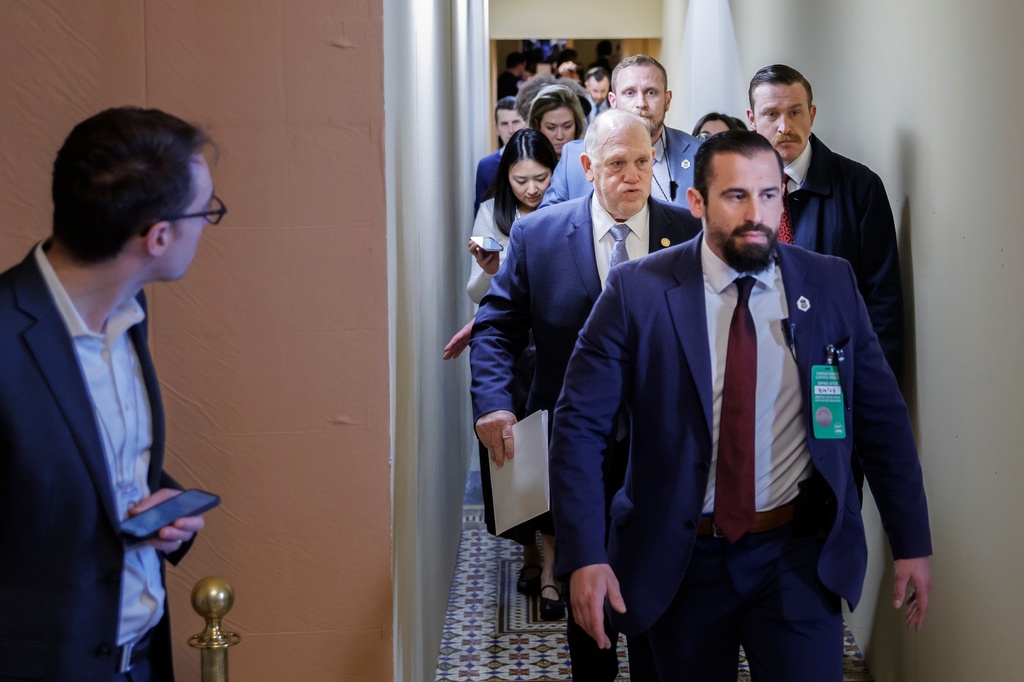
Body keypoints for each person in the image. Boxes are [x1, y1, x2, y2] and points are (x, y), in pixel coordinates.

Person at [549, 131, 932, 680]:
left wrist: (912, 542)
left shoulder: (828, 283)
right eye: (736, 196)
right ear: (697, 202)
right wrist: (584, 554)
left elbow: (881, 420)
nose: (758, 214)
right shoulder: (638, 291)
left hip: (796, 555)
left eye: (770, 195)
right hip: (679, 558)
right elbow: (578, 427)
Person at [471, 109, 701, 681]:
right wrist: (494, 401)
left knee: (658, 588)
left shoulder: (688, 233)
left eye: (643, 161)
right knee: (586, 590)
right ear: (587, 165)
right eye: (617, 163)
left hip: (663, 445)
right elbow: (497, 326)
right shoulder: (539, 235)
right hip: (576, 447)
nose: (632, 176)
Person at [0, 107, 219, 680]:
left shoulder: (130, 312)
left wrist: (160, 508)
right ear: (159, 236)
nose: (206, 227)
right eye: (206, 212)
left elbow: (88, 472)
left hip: (142, 658)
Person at [747, 64, 904, 375]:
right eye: (771, 114)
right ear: (752, 120)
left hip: (835, 370)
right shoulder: (735, 192)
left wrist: (873, 382)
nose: (784, 126)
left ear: (812, 114)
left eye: (795, 112)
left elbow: (883, 300)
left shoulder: (859, 187)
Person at [542, 54, 701, 208]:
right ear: (613, 101)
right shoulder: (574, 158)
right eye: (629, 93)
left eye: (651, 92)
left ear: (667, 100)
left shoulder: (699, 154)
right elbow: (547, 226)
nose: (641, 103)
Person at [474, 97, 526, 215]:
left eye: (515, 122)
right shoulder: (486, 166)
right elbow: (479, 211)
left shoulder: (537, 160)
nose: (511, 130)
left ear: (525, 123)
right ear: (497, 129)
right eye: (504, 124)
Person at [527, 83, 586, 161]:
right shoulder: (526, 162)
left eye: (567, 126)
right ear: (537, 125)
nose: (560, 136)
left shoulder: (590, 163)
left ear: (577, 125)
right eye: (551, 128)